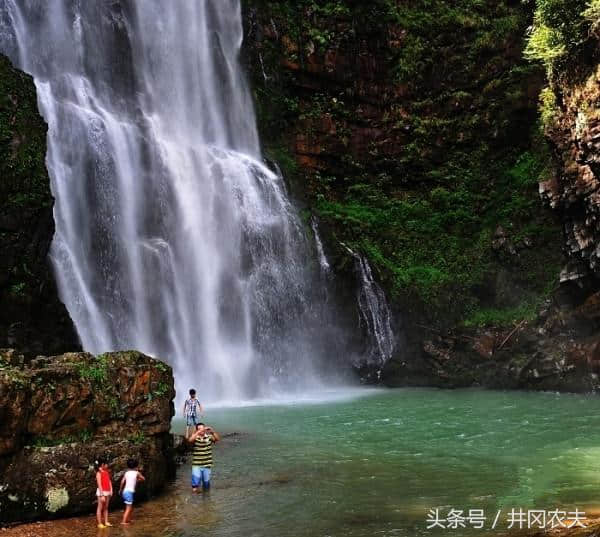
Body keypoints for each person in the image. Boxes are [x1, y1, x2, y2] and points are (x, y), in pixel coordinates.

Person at [186, 422, 220, 492]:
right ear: (197, 430)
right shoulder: (196, 437)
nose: (202, 430)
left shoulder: (209, 437)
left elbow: (217, 439)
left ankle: (206, 500)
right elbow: (190, 440)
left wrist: (212, 431)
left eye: (203, 429)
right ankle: (194, 500)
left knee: (206, 484)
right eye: (199, 429)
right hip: (197, 464)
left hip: (207, 464)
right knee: (195, 482)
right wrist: (197, 432)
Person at [119, 458, 145, 525]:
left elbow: (122, 482)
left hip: (125, 491)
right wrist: (137, 479)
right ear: (136, 466)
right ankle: (123, 521)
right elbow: (143, 479)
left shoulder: (126, 473)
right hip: (129, 493)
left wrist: (120, 489)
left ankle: (128, 519)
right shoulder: (136, 473)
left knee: (129, 507)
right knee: (128, 508)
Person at [95, 457, 113, 528]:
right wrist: (102, 495)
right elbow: (99, 484)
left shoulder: (106, 472)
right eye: (106, 464)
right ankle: (99, 523)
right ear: (102, 464)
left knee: (106, 507)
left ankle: (106, 521)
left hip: (107, 491)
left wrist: (111, 489)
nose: (107, 465)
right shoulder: (98, 473)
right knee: (100, 507)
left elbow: (109, 481)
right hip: (101, 492)